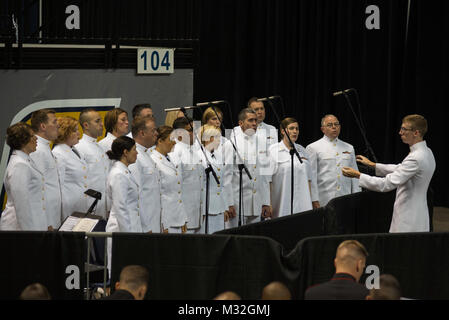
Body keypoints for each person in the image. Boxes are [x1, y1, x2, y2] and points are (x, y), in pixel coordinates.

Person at [342, 114, 436, 233]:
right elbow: (401, 168)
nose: (400, 132)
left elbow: (386, 184)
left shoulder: (416, 158)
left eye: (404, 129)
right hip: (419, 213)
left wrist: (358, 175)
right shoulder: (427, 152)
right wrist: (373, 165)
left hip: (408, 218)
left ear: (416, 133)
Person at [227, 108, 272, 228]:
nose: (254, 123)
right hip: (238, 202)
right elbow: (227, 177)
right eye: (250, 120)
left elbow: (265, 175)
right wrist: (229, 203)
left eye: (255, 121)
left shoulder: (262, 143)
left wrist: (266, 202)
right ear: (240, 123)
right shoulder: (232, 143)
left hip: (256, 202)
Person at [306, 114, 361, 208]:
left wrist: (357, 196)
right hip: (324, 199)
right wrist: (314, 199)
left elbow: (355, 175)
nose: (334, 127)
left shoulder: (349, 147)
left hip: (345, 197)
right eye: (330, 125)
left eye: (336, 124)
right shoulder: (313, 147)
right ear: (322, 129)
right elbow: (311, 177)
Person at [0, 123, 48, 231]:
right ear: (23, 140)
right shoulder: (20, 165)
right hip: (19, 229)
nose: (36, 138)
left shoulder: (26, 160)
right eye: (32, 136)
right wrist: (27, 234)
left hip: (32, 225)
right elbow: (21, 204)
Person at [268, 118, 313, 217]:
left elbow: (309, 180)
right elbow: (268, 181)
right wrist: (268, 203)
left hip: (303, 205)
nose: (295, 131)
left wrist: (311, 200)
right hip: (281, 204)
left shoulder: (303, 150)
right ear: (283, 131)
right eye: (291, 128)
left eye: (297, 129)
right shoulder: (272, 151)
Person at [150, 126, 188, 233]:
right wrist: (163, 223)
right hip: (166, 220)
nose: (174, 143)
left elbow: (178, 192)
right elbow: (157, 196)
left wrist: (183, 217)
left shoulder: (169, 158)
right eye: (171, 140)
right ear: (160, 141)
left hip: (177, 217)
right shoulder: (153, 161)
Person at [29, 109, 62, 229]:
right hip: (44, 221)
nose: (58, 125)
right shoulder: (37, 150)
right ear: (43, 126)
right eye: (54, 122)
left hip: (51, 217)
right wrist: (46, 222)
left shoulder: (45, 147)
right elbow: (37, 190)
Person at [198, 124, 234, 233]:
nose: (220, 141)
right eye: (218, 138)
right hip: (207, 208)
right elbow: (201, 186)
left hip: (219, 207)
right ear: (209, 139)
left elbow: (221, 185)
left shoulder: (218, 156)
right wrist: (202, 211)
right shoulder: (200, 157)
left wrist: (224, 207)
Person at [128, 115, 161, 233]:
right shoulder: (134, 156)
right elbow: (137, 195)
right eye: (153, 130)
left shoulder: (146, 154)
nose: (156, 133)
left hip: (153, 221)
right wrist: (146, 227)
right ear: (142, 133)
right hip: (144, 225)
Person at [304, 240, 369, 300]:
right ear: (359, 264)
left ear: (335, 263)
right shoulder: (367, 294)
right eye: (363, 267)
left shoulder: (311, 294)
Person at [52, 117, 89, 220]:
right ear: (65, 132)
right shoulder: (58, 153)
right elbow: (59, 186)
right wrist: (63, 215)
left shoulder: (75, 150)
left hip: (81, 204)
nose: (79, 133)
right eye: (75, 130)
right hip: (69, 207)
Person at [170, 117, 203, 233]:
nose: (194, 133)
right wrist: (181, 217)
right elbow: (175, 188)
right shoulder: (175, 152)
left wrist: (201, 211)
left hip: (196, 214)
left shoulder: (194, 151)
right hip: (185, 217)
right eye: (190, 130)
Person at [75, 109, 109, 218]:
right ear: (86, 125)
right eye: (97, 121)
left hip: (104, 205)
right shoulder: (79, 147)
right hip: (89, 206)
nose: (101, 124)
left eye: (101, 121)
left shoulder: (100, 148)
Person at [105, 136, 142, 233]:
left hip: (132, 226)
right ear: (125, 152)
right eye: (134, 150)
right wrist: (126, 236)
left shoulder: (124, 171)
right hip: (122, 229)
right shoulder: (119, 174)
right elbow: (120, 207)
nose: (137, 153)